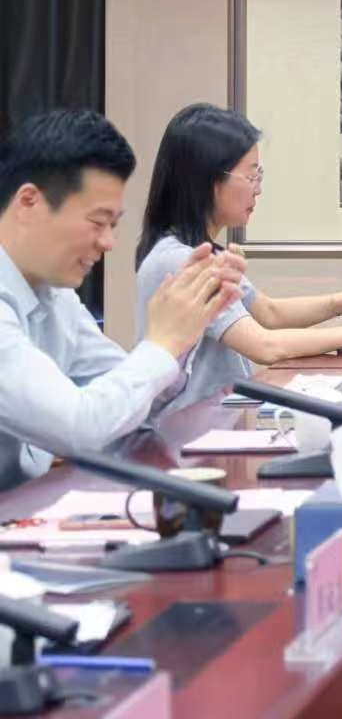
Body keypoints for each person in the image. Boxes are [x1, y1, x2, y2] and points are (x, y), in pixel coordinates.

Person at [0, 108, 239, 490]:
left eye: (113, 225)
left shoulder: (56, 295)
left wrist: (184, 328)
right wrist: (161, 345)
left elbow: (129, 408)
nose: (108, 242)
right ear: (29, 202)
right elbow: (79, 427)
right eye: (98, 222)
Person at [135, 104, 342, 411]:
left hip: (215, 419)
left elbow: (269, 313)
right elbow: (264, 346)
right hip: (186, 428)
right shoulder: (182, 261)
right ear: (207, 180)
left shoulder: (200, 252)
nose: (257, 190)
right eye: (250, 176)